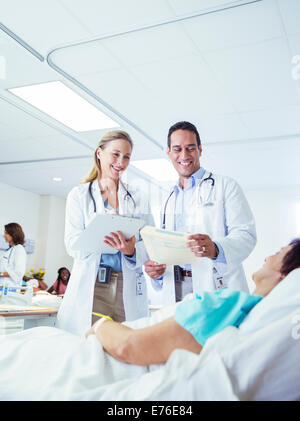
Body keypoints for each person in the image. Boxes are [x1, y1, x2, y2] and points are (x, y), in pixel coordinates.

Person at [86, 238, 300, 366]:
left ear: (286, 274)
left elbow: (128, 347)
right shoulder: (249, 313)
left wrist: (100, 326)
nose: (267, 258)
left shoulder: (230, 303)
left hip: (110, 344)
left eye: (277, 253)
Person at [144, 121, 257, 304]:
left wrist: (216, 248)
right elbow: (165, 246)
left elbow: (246, 235)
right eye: (177, 149)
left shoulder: (225, 186)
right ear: (169, 152)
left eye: (190, 148)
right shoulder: (168, 197)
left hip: (214, 284)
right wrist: (156, 272)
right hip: (176, 287)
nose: (184, 155)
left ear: (200, 150)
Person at [56, 130, 154, 336]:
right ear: (99, 153)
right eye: (115, 154)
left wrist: (131, 251)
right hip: (93, 287)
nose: (121, 162)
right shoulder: (79, 195)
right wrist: (102, 236)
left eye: (126, 157)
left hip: (126, 286)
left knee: (127, 348)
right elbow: (72, 244)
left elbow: (151, 243)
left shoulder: (138, 197)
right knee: (90, 347)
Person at [0, 223, 27, 287]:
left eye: (6, 233)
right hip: (4, 286)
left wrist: (1, 274)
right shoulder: (10, 250)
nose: (4, 235)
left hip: (11, 287)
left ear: (13, 234)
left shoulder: (19, 249)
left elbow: (18, 272)